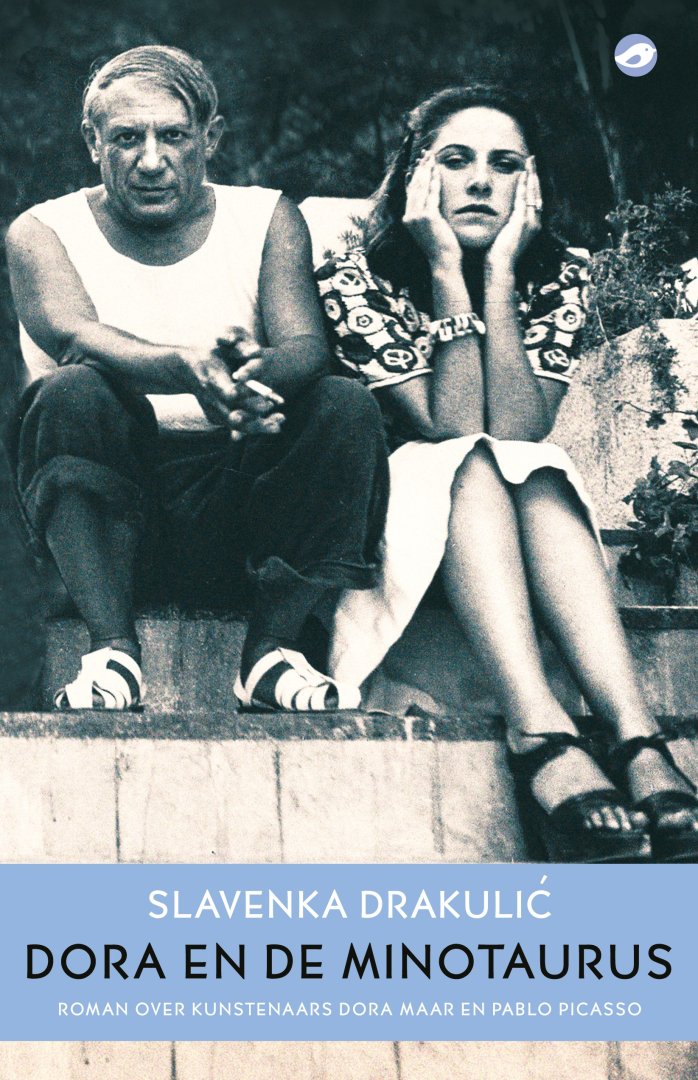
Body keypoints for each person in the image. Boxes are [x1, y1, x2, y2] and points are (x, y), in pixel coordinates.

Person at [316, 85, 698, 862]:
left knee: (533, 464)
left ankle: (635, 735)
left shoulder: (559, 274)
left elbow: (523, 427)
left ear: (531, 182)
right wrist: (447, 270)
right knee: (470, 456)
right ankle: (538, 726)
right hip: (392, 533)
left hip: (505, 527)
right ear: (417, 174)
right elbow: (453, 424)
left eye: (505, 164)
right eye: (457, 161)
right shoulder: (352, 273)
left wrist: (499, 278)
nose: (481, 182)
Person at [5, 45, 388, 714]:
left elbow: (306, 347)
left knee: (342, 403)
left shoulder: (266, 216)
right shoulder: (41, 231)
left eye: (173, 136)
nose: (151, 160)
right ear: (92, 141)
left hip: (241, 513)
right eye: (127, 138)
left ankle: (272, 652)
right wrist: (188, 366)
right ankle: (112, 652)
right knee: (70, 391)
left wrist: (250, 381)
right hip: (106, 526)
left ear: (210, 138)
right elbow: (74, 335)